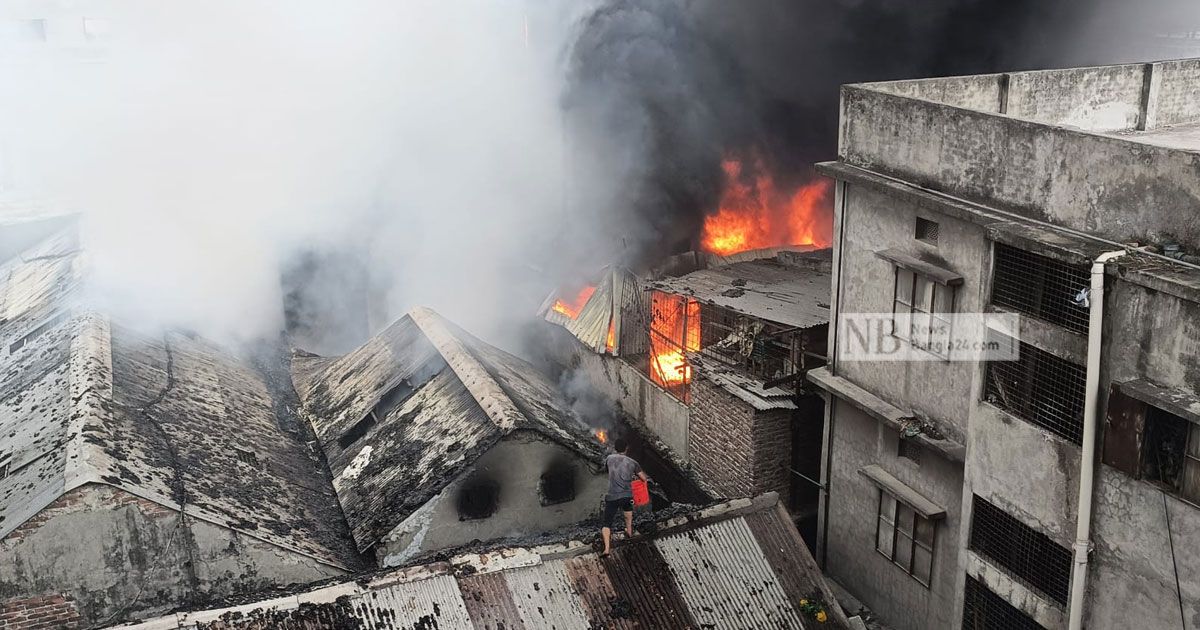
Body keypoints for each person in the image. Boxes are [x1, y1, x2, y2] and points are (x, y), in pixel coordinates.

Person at [600, 436, 649, 557]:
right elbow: (644, 478)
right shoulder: (633, 463)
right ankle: (629, 532)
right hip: (627, 496)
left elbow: (607, 470)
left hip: (612, 497)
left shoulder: (609, 458)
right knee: (628, 515)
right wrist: (633, 478)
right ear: (626, 449)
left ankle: (606, 549)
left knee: (606, 523)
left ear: (615, 448)